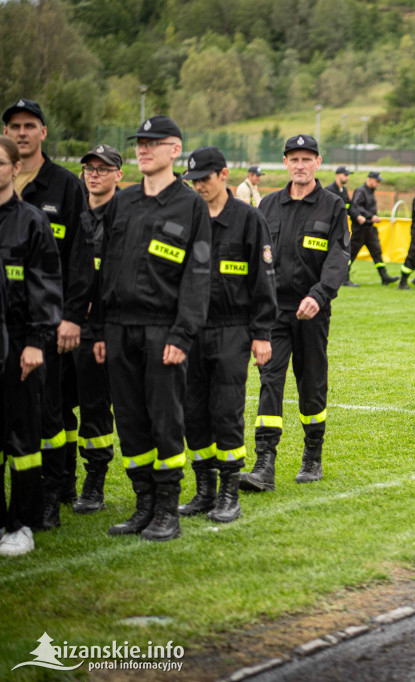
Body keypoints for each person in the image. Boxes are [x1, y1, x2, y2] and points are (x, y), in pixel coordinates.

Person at [91, 115, 212, 542]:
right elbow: (104, 269)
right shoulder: (122, 202)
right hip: (119, 329)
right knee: (129, 420)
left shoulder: (190, 205)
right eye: (139, 143)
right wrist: (101, 329)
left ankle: (167, 510)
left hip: (164, 331)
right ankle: (143, 506)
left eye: (153, 143)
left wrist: (182, 334)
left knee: (164, 420)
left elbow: (198, 275)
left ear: (175, 149)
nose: (143, 149)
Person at [242, 134, 349, 492]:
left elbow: (338, 258)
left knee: (311, 382)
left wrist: (319, 296)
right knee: (270, 381)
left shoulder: (333, 206)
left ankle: (312, 456)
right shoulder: (268, 206)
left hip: (312, 313)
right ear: (285, 163)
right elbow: (252, 258)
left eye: (307, 159)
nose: (300, 165)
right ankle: (264, 464)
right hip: (273, 313)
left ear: (318, 162)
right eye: (294, 159)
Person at [178, 147, 277, 522]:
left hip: (232, 329)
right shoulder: (189, 216)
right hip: (191, 329)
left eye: (204, 178)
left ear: (223, 175)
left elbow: (264, 279)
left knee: (225, 411)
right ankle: (204, 490)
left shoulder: (249, 219)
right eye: (193, 180)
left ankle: (228, 494)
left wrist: (262, 333)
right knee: (193, 412)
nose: (199, 186)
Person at [3, 98, 89, 527]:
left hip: (47, 323)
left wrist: (71, 315)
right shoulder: (4, 184)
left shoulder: (64, 185)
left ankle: (52, 495)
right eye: (14, 125)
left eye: (29, 125)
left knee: (51, 414)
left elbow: (78, 257)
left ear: (43, 132)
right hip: (7, 324)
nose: (22, 132)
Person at [0, 136, 62, 556]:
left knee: (22, 438)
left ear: (15, 168)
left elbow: (45, 283)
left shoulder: (30, 221)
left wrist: (37, 341)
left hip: (19, 343)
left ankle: (20, 523)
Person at [67, 144, 122, 514]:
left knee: (95, 406)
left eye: (104, 168)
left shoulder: (126, 217)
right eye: (90, 168)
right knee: (56, 406)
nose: (95, 174)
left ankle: (95, 481)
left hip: (103, 329)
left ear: (119, 174)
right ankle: (61, 479)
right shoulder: (72, 212)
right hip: (63, 324)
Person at [349, 171, 398, 285]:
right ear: (369, 179)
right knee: (352, 253)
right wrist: (371, 216)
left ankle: (384, 276)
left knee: (376, 252)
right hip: (360, 229)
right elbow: (356, 207)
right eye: (376, 181)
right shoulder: (361, 191)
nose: (378, 184)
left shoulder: (370, 192)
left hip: (370, 229)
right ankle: (344, 277)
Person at [325, 166, 359, 288]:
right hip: (330, 228)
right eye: (345, 175)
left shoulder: (343, 190)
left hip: (342, 228)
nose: (347, 177)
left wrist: (358, 216)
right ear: (338, 175)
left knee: (344, 253)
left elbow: (349, 207)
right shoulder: (329, 190)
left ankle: (345, 279)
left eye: (348, 175)